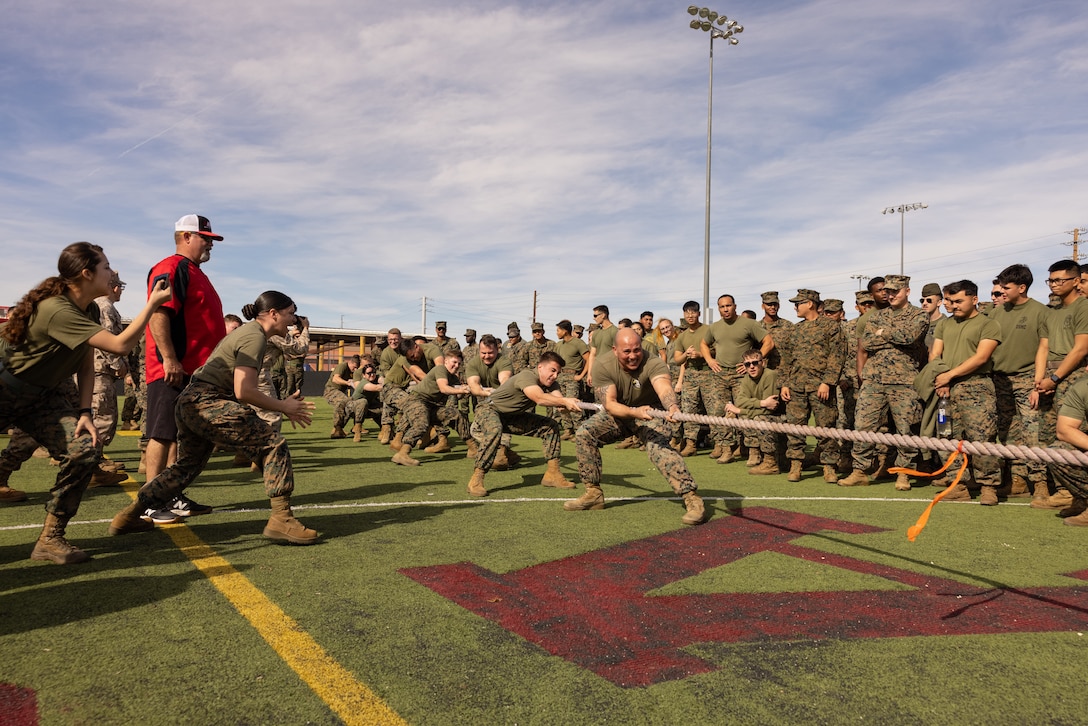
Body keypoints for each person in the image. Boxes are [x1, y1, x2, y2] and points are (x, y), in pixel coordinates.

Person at [0, 242, 172, 563]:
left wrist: (84, 412)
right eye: (106, 267)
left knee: (84, 450)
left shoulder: (89, 308)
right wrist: (152, 304)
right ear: (86, 273)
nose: (112, 273)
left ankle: (50, 538)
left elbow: (85, 357)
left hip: (41, 396)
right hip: (5, 388)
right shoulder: (57, 308)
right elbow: (120, 344)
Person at [109, 291, 318, 543]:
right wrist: (283, 406)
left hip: (191, 402)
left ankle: (130, 515)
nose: (293, 320)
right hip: (207, 400)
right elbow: (245, 390)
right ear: (273, 314)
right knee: (273, 443)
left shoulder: (250, 333)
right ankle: (282, 520)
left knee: (186, 467)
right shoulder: (255, 337)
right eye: (289, 314)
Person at [563, 328, 708, 526]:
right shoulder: (602, 365)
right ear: (615, 350)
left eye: (636, 350)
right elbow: (610, 404)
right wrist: (634, 412)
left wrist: (672, 406)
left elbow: (663, 387)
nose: (633, 356)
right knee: (584, 433)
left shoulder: (653, 362)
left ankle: (691, 498)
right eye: (627, 352)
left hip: (651, 412)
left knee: (658, 448)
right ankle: (593, 493)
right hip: (620, 412)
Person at [143, 214, 227, 523]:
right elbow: (158, 313)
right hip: (173, 369)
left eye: (211, 239)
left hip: (193, 371)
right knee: (162, 433)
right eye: (206, 238)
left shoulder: (193, 271)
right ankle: (150, 502)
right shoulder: (172, 267)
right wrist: (169, 358)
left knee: (178, 434)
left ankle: (171, 494)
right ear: (186, 237)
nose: (210, 244)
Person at [839, 275, 928, 490]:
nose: (891, 295)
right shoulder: (875, 316)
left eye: (896, 291)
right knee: (863, 426)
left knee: (905, 429)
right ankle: (860, 471)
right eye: (888, 291)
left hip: (904, 381)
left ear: (907, 291)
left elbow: (910, 337)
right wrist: (890, 335)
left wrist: (884, 333)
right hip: (874, 380)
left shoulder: (919, 315)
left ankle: (903, 473)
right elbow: (867, 342)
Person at [466, 351, 580, 496]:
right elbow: (539, 398)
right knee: (495, 429)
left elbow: (559, 404)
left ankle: (553, 474)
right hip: (489, 409)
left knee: (550, 426)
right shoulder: (528, 376)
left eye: (558, 372)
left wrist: (570, 406)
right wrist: (564, 401)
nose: (555, 376)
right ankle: (476, 479)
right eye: (552, 370)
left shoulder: (552, 384)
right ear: (540, 367)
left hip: (511, 416)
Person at [930, 280, 1003, 505]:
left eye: (959, 301)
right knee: (946, 436)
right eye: (950, 301)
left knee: (981, 438)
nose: (953, 305)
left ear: (973, 299)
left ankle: (988, 486)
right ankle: (957, 483)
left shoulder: (988, 324)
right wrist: (941, 379)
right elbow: (935, 355)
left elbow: (981, 357)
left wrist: (949, 376)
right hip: (946, 389)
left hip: (976, 387)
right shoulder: (945, 325)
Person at [1034, 260, 1088, 510]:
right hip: (1049, 377)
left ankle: (1077, 493)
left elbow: (1080, 349)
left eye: (1059, 280)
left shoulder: (1084, 307)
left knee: (1070, 435)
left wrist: (1055, 379)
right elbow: (1043, 346)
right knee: (1046, 435)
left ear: (1077, 281)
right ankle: (1065, 490)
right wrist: (1039, 380)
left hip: (1075, 376)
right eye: (1051, 280)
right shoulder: (1050, 311)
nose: (1054, 285)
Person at [990, 264, 1048, 499]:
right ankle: (1017, 479)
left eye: (1006, 287)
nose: (1001, 291)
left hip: (1028, 379)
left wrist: (1038, 382)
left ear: (1022, 288)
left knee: (1033, 432)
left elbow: (1044, 347)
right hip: (1000, 380)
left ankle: (1040, 482)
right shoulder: (996, 312)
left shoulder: (1041, 311)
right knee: (1008, 433)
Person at [779, 289, 845, 483]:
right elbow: (786, 359)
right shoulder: (795, 330)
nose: (795, 307)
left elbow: (837, 356)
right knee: (795, 428)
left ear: (810, 303)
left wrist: (827, 382)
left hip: (820, 387)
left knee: (826, 428)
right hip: (796, 387)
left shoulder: (830, 327)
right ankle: (796, 465)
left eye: (798, 303)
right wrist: (784, 384)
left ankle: (829, 466)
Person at [700, 294, 773, 463]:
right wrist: (710, 360)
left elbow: (768, 341)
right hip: (720, 375)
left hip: (742, 375)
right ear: (718, 308)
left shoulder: (748, 324)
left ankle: (753, 451)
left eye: (728, 306)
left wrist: (752, 361)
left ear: (735, 306)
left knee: (746, 411)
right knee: (720, 412)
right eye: (722, 307)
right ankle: (727, 449)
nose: (725, 309)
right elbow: (703, 344)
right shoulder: (714, 327)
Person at [390, 350, 473, 466]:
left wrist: (467, 390)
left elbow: (458, 395)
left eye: (459, 363)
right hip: (417, 400)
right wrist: (461, 390)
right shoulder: (441, 369)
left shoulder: (453, 378)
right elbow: (444, 388)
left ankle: (472, 448)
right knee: (421, 423)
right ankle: (403, 453)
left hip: (432, 406)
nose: (456, 366)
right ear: (446, 361)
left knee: (456, 414)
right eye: (454, 362)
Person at [89, 270, 132, 485]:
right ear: (114, 287)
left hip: (93, 370)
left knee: (97, 418)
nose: (120, 291)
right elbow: (107, 339)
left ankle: (93, 465)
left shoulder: (95, 305)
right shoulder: (104, 307)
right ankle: (90, 470)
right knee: (101, 419)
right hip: (99, 371)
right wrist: (118, 364)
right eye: (120, 287)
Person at [727, 348, 784, 475]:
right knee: (743, 416)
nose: (751, 367)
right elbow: (740, 400)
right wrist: (762, 403)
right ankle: (753, 451)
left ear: (762, 363)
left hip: (781, 419)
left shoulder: (770, 375)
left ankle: (771, 463)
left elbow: (770, 410)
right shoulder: (747, 378)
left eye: (755, 363)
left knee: (759, 419)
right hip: (765, 416)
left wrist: (740, 410)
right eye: (747, 364)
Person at [464, 334, 514, 467]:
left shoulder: (504, 361)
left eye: (490, 353)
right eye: (483, 353)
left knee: (503, 427)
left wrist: (498, 393)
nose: (486, 356)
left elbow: (505, 380)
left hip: (504, 400)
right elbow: (473, 385)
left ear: (497, 350)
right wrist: (485, 392)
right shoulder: (473, 363)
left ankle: (502, 451)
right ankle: (507, 453)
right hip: (486, 401)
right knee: (475, 430)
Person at [673, 301, 710, 457]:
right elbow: (677, 360)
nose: (690, 315)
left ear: (699, 314)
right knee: (689, 411)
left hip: (709, 374)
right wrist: (685, 355)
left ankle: (723, 446)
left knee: (715, 411)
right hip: (691, 375)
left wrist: (702, 355)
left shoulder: (709, 330)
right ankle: (690, 444)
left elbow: (718, 350)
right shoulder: (682, 337)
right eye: (687, 312)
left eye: (693, 312)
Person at [553, 320, 589, 440]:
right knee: (561, 405)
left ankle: (579, 431)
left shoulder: (578, 343)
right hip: (560, 377)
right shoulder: (559, 345)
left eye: (558, 330)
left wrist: (581, 375)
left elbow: (589, 360)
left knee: (573, 405)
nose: (557, 333)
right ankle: (568, 430)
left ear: (565, 331)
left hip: (573, 378)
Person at [323, 354, 359, 438]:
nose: (355, 370)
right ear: (350, 363)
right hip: (331, 390)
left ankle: (352, 426)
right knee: (343, 402)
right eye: (354, 367)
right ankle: (337, 428)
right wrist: (348, 383)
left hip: (340, 392)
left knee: (351, 405)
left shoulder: (353, 371)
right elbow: (335, 379)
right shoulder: (343, 366)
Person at [759, 292, 793, 371]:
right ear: (763, 306)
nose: (773, 307)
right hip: (764, 374)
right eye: (769, 304)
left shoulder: (788, 326)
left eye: (775, 304)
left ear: (779, 305)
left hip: (785, 374)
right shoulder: (757, 327)